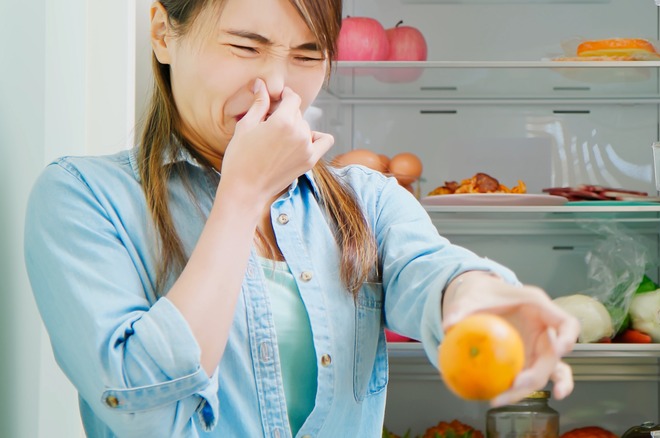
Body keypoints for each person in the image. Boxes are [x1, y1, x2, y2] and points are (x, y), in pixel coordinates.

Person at [23, 0, 580, 436]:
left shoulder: (367, 200)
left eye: (309, 55)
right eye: (246, 46)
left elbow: (433, 270)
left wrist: (476, 297)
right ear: (164, 34)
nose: (278, 85)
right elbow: (144, 410)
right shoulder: (83, 198)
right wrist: (243, 193)